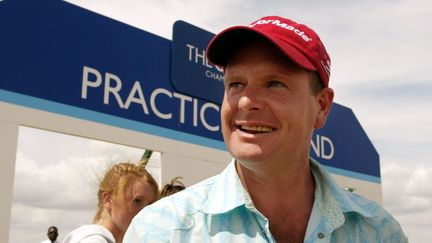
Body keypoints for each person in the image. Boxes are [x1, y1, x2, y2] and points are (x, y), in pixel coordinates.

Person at [124, 16, 408, 242]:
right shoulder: (162, 231)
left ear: (321, 106)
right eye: (235, 84)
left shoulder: (380, 232)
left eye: (275, 83)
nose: (247, 101)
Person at [62, 162, 159, 243]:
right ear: (108, 200)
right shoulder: (93, 240)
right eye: (137, 201)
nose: (146, 211)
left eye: (150, 205)